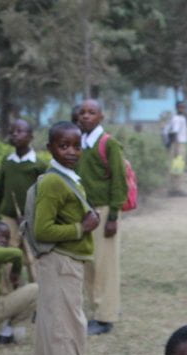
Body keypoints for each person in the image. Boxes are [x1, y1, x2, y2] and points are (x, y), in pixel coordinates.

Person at [31, 121, 112, 355]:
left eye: (76, 145)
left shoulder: (65, 178)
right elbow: (42, 228)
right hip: (62, 261)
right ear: (50, 148)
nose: (71, 151)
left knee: (52, 331)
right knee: (68, 332)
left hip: (61, 263)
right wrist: (82, 227)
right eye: (63, 146)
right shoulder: (54, 182)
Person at [73, 100, 125, 336]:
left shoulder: (108, 144)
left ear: (101, 117)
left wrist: (113, 216)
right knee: (89, 263)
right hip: (85, 211)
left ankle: (106, 317)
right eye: (82, 112)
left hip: (103, 211)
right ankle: (97, 308)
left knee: (105, 265)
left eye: (91, 113)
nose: (85, 116)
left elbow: (118, 181)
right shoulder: (79, 144)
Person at [0, 118, 47, 272]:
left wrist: (31, 215)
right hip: (9, 218)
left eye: (19, 131)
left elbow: (44, 195)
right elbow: (0, 188)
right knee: (7, 255)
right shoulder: (7, 162)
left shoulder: (39, 165)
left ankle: (37, 292)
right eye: (12, 132)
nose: (14, 135)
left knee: (33, 258)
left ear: (30, 136)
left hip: (31, 219)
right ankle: (7, 292)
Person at [165, 101, 187, 197]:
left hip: (180, 144)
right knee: (177, 167)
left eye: (183, 107)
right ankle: (176, 189)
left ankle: (174, 188)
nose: (182, 109)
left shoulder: (181, 118)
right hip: (178, 145)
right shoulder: (177, 119)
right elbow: (174, 133)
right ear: (177, 108)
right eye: (180, 107)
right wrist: (176, 148)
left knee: (176, 167)